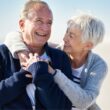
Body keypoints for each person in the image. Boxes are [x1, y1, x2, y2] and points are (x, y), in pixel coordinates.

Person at [5, 13, 108, 110]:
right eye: (66, 32)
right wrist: (22, 52)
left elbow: (84, 102)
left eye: (71, 36)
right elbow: (13, 36)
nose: (64, 38)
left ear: (88, 45)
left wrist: (54, 73)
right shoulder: (58, 52)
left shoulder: (98, 65)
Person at [0, 0, 73, 109]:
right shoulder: (2, 54)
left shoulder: (61, 57)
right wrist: (23, 75)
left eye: (49, 22)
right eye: (39, 21)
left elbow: (64, 107)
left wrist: (40, 74)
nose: (45, 28)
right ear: (22, 25)